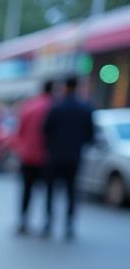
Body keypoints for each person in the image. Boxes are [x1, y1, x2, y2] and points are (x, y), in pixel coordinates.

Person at [43, 77, 95, 240]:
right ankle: (69, 224)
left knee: (51, 190)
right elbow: (90, 135)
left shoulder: (57, 107)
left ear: (65, 87)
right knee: (71, 191)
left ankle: (49, 222)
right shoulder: (85, 108)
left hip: (55, 156)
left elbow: (46, 131)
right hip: (74, 156)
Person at [13, 82, 54, 235]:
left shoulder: (29, 107)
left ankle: (23, 220)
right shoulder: (53, 108)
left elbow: (20, 131)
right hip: (47, 158)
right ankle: (47, 223)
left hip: (28, 156)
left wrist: (20, 149)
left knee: (26, 190)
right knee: (49, 192)